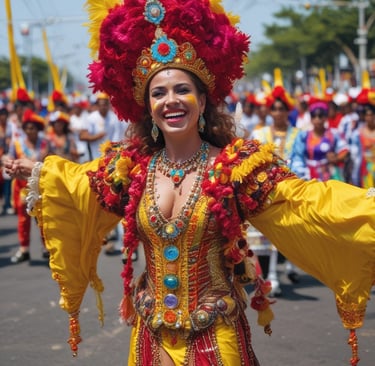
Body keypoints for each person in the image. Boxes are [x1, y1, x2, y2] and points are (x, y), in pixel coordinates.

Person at [4, 1, 375, 365]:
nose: (171, 101)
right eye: (158, 92)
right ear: (147, 106)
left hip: (215, 338)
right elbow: (81, 185)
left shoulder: (235, 167)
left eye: (182, 89)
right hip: (150, 338)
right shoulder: (131, 168)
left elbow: (305, 203)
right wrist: (37, 171)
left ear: (202, 99)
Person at [8, 109, 51, 263]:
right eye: (27, 128)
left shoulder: (45, 143)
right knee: (23, 218)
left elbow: (51, 161)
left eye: (32, 128)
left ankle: (47, 248)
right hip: (22, 187)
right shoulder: (17, 143)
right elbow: (10, 158)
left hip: (41, 186)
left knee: (43, 219)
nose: (29, 131)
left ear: (38, 129)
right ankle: (24, 248)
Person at [290, 100, 350, 182]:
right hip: (309, 177)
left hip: (330, 177)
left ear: (325, 117)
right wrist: (301, 175)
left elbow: (344, 150)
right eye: (314, 116)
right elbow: (298, 156)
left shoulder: (333, 133)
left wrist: (336, 158)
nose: (317, 119)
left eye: (321, 116)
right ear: (311, 118)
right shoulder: (303, 136)